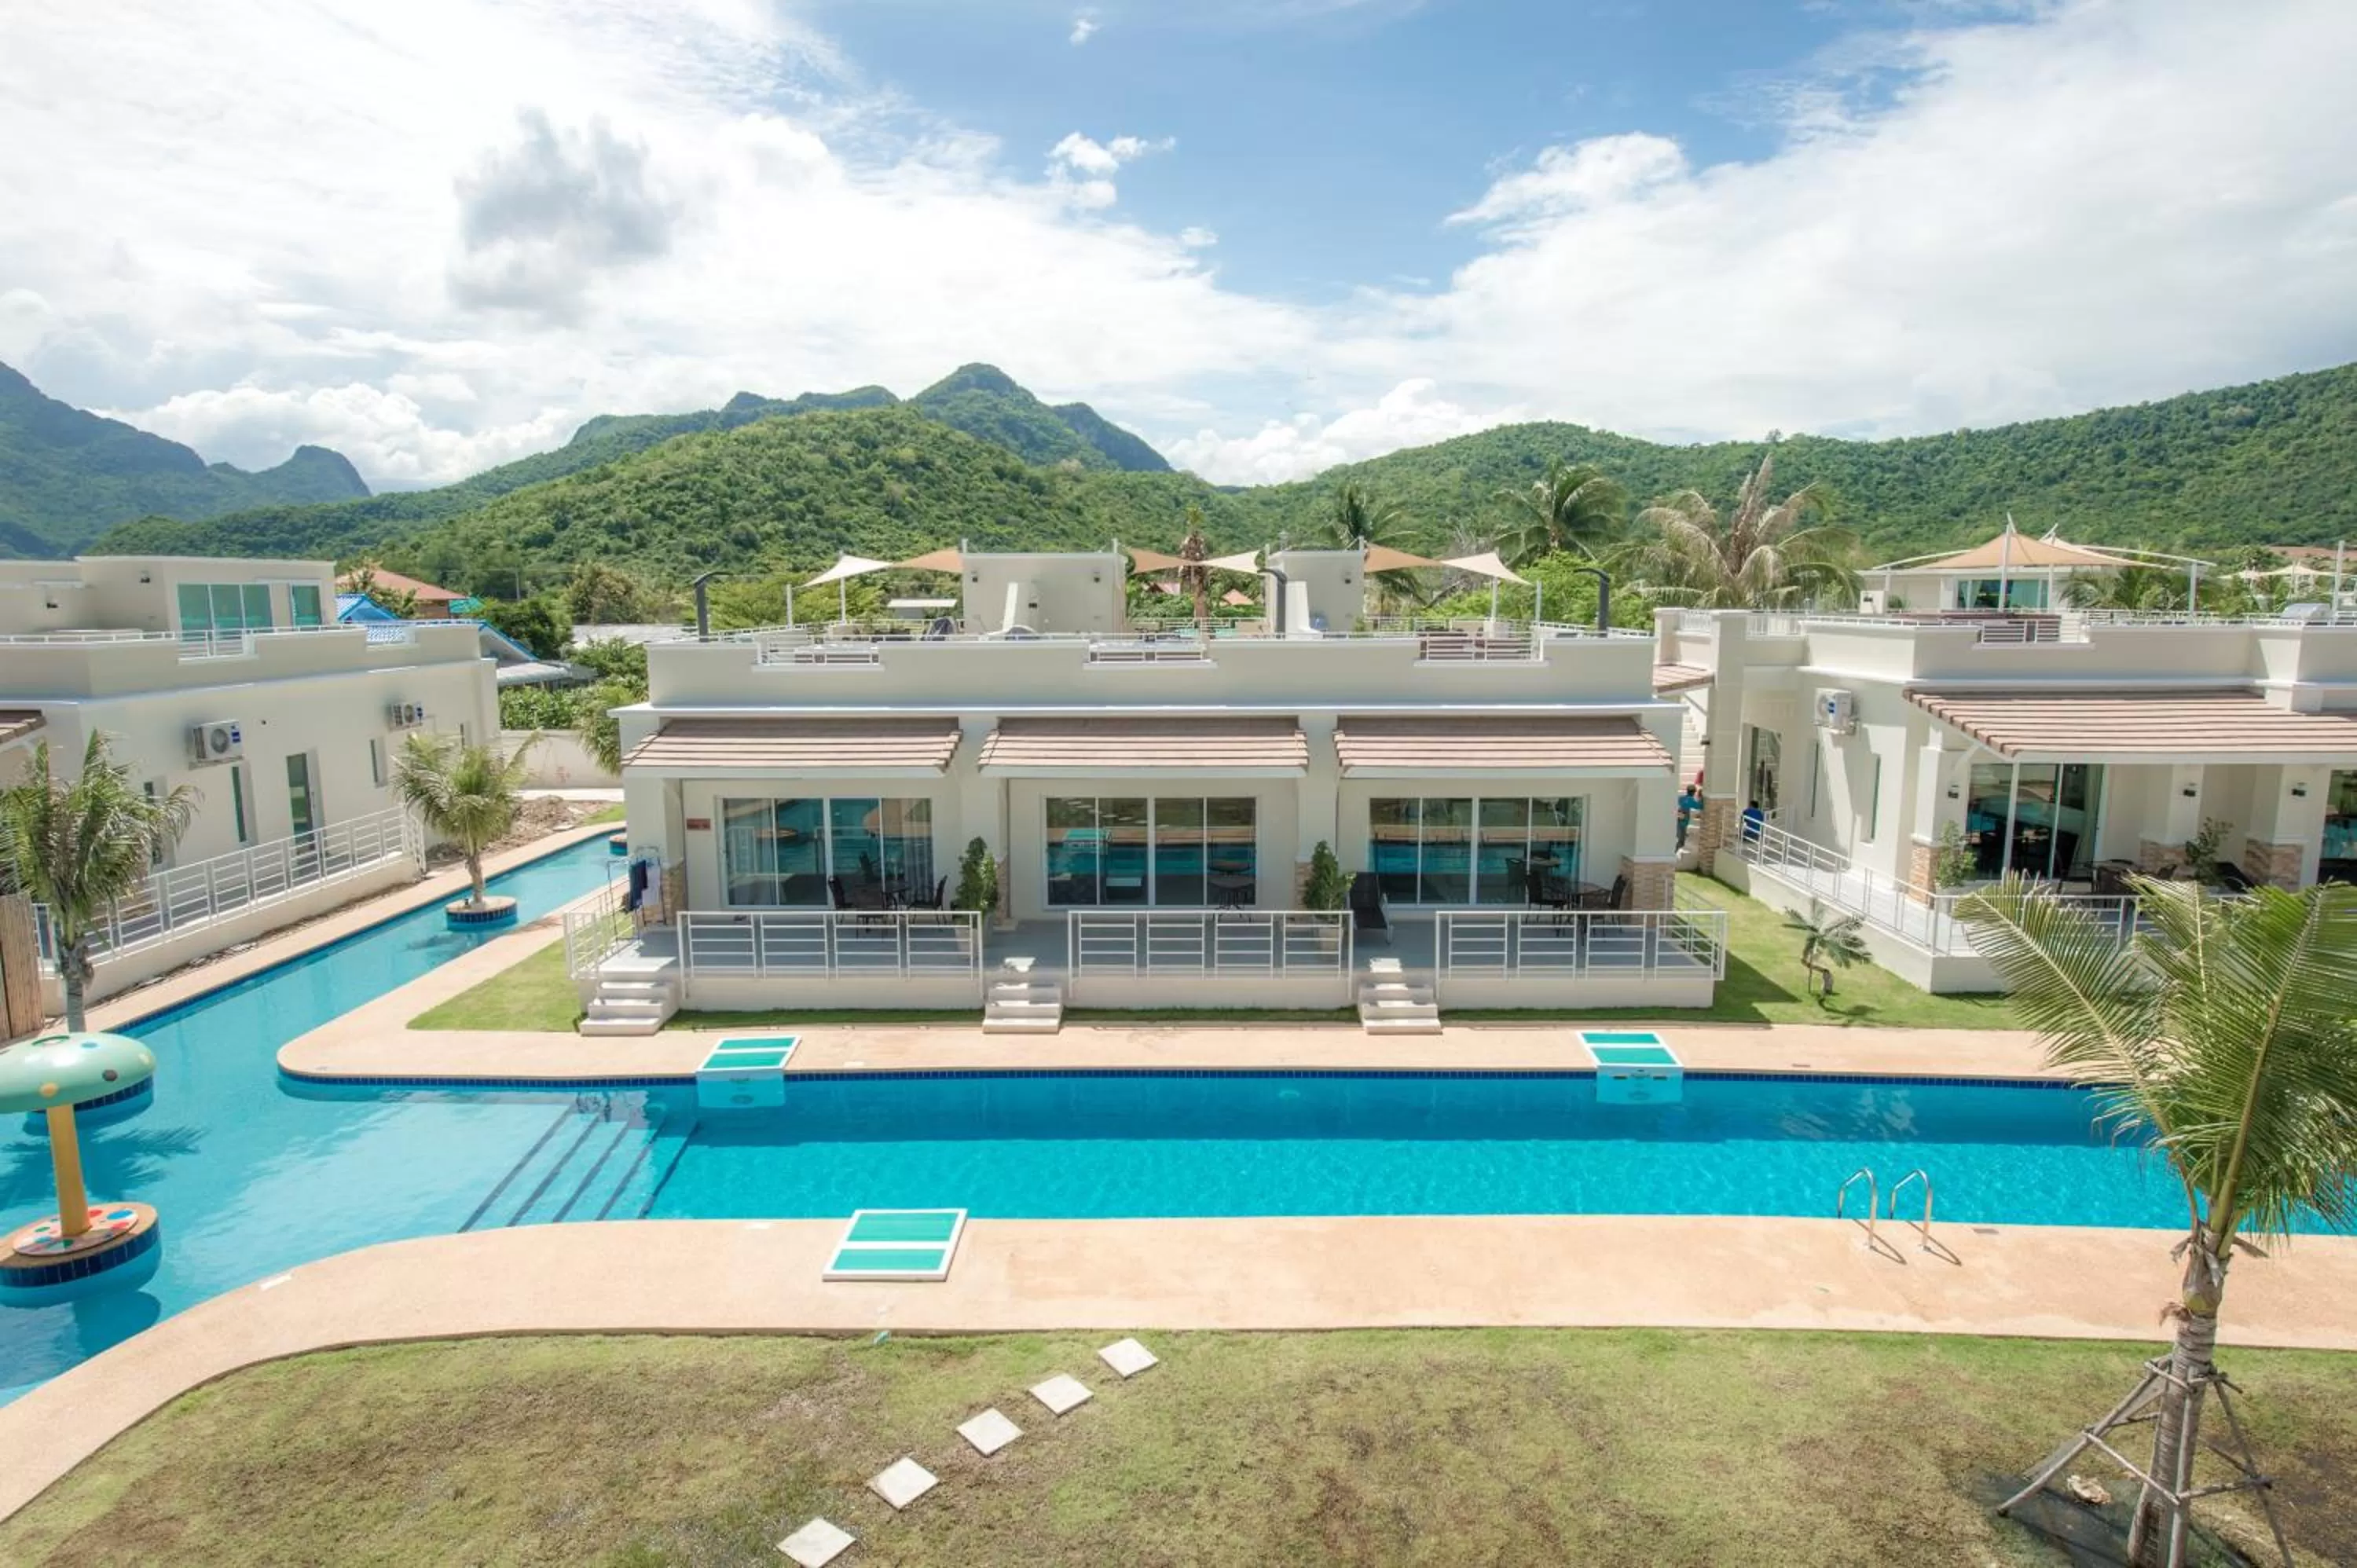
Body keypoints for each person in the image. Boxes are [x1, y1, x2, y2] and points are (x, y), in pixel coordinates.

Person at [1676, 784, 1703, 848]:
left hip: (1679, 812)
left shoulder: (1682, 798)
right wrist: (1701, 799)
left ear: (1687, 791)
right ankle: (1680, 843)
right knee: (1683, 827)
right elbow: (1699, 806)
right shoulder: (1691, 800)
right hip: (1684, 814)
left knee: (1680, 826)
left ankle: (1680, 837)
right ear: (1694, 792)